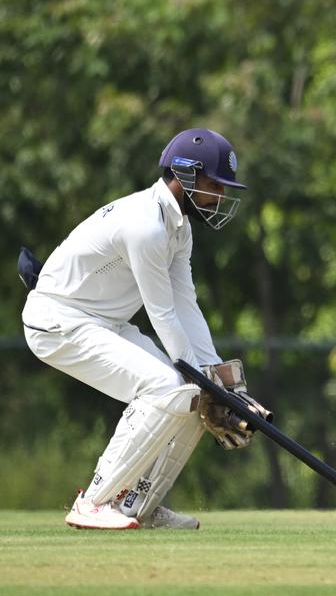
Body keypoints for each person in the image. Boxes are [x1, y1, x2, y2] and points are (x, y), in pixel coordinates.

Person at [21, 128, 251, 530]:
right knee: (168, 387)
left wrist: (217, 378)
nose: (219, 196)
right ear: (186, 175)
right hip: (57, 319)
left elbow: (186, 304)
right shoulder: (145, 227)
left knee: (188, 392)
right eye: (215, 184)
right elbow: (162, 313)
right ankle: (94, 501)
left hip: (102, 322)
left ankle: (135, 507)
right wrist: (206, 382)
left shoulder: (179, 229)